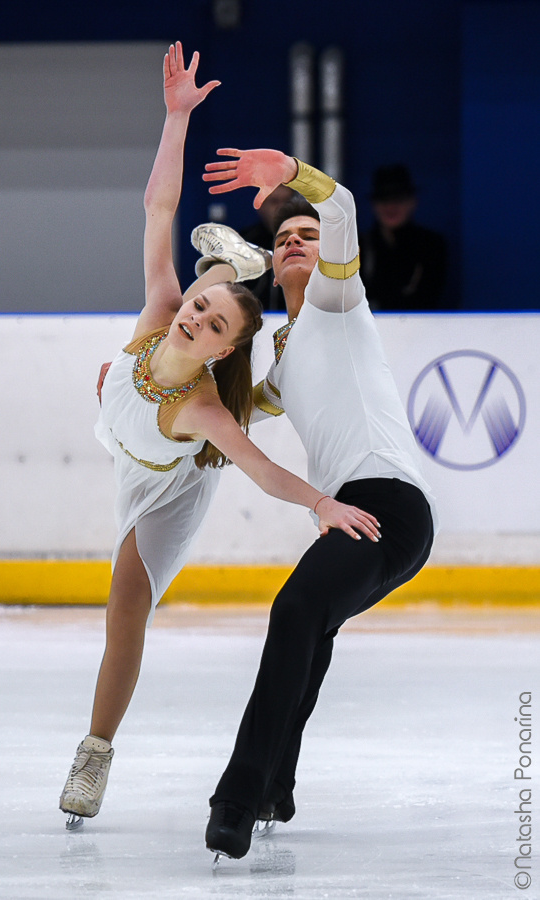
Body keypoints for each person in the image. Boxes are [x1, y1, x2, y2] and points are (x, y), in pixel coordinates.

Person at [58, 44, 381, 830]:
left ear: (219, 353)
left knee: (125, 608)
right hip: (126, 430)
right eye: (197, 308)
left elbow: (260, 468)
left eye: (207, 323)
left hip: (168, 483)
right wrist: (175, 119)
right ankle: (235, 266)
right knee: (182, 287)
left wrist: (320, 504)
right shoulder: (157, 314)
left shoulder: (206, 411)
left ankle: (94, 753)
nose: (190, 318)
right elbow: (158, 209)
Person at [195, 148, 437, 860]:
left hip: (389, 506)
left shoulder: (337, 303)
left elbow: (342, 209)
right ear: (271, 267)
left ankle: (236, 799)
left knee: (297, 610)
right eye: (282, 240)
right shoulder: (283, 352)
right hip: (359, 513)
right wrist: (141, 379)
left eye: (306, 235)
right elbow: (230, 414)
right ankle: (276, 787)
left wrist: (290, 172)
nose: (296, 242)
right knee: (312, 628)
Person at [359, 164, 449, 311]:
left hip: (419, 323)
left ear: (413, 202)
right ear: (374, 205)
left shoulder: (431, 246)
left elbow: (427, 297)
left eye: (398, 199)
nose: (391, 207)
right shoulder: (358, 245)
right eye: (384, 200)